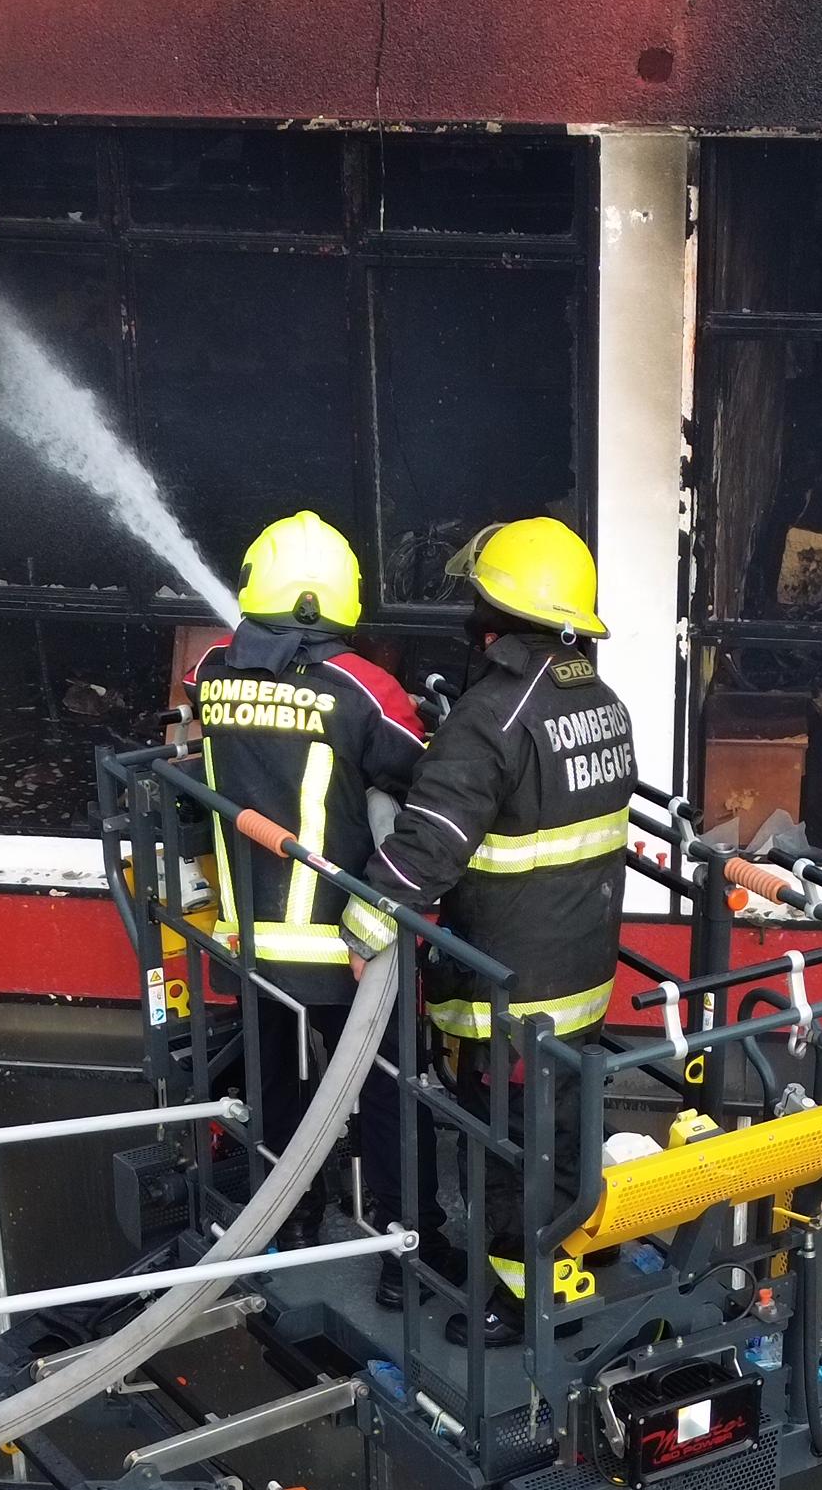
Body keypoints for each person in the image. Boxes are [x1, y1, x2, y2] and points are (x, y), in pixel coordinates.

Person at [345, 516, 633, 1299]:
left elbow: (430, 844)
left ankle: (517, 1295)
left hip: (512, 988)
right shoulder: (604, 703)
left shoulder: (492, 716)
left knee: (508, 1139)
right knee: (564, 1117)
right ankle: (579, 1246)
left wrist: (365, 926)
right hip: (582, 974)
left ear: (497, 617)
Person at [184, 511, 420, 1172]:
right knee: (386, 1085)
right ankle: (406, 1227)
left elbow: (211, 688)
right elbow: (415, 771)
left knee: (274, 1086)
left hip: (250, 940)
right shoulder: (366, 689)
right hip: (345, 943)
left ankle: (287, 1211)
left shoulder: (212, 673)